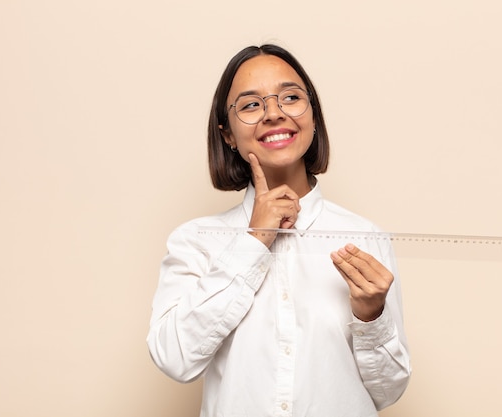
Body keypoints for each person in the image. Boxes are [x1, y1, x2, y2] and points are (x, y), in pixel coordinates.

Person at [147, 44, 411, 417]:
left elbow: (388, 391)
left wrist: (371, 317)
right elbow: (174, 358)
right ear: (228, 135)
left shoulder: (365, 238)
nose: (274, 113)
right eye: (252, 105)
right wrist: (254, 242)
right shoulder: (195, 241)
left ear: (313, 117)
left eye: (290, 97)